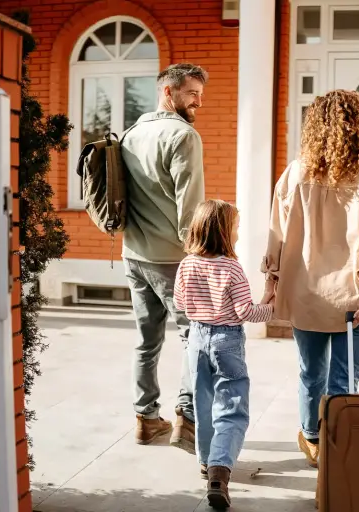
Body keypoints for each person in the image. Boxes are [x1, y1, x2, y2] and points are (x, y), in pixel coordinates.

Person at [260, 90, 359, 467]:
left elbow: (277, 232)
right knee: (344, 380)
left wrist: (271, 282)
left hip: (307, 293)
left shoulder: (296, 172)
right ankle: (335, 449)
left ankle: (314, 440)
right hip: (356, 293)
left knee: (310, 373)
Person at [121, 63, 208, 453]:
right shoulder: (183, 135)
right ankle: (186, 421)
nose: (198, 102)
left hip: (133, 253)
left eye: (200, 95)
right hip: (173, 258)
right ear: (168, 92)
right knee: (195, 338)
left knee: (146, 340)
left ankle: (144, 418)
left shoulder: (130, 134)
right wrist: (201, 256)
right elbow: (190, 208)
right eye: (192, 93)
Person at [174, 199, 274, 509]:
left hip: (196, 338)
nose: (239, 234)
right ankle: (219, 470)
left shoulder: (187, 263)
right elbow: (246, 311)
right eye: (235, 228)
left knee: (203, 404)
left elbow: (179, 303)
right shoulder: (231, 267)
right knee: (231, 407)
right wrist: (271, 305)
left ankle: (206, 462)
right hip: (226, 341)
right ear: (222, 232)